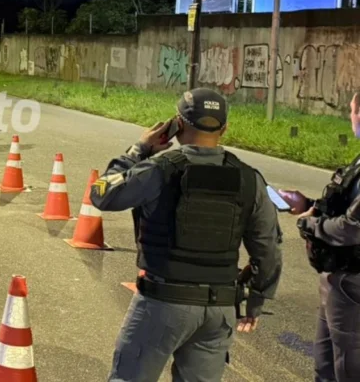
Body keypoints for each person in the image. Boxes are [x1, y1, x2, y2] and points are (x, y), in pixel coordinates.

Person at [90, 88, 282, 382]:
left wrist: (139, 150)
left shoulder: (158, 169)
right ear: (225, 128)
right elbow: (268, 248)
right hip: (219, 311)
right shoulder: (249, 178)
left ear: (177, 124)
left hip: (162, 304)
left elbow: (102, 194)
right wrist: (256, 301)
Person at [278, 92, 360, 382]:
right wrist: (309, 204)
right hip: (337, 278)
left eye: (351, 110)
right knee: (325, 366)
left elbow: (352, 228)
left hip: (352, 283)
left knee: (348, 368)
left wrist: (310, 224)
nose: (350, 117)